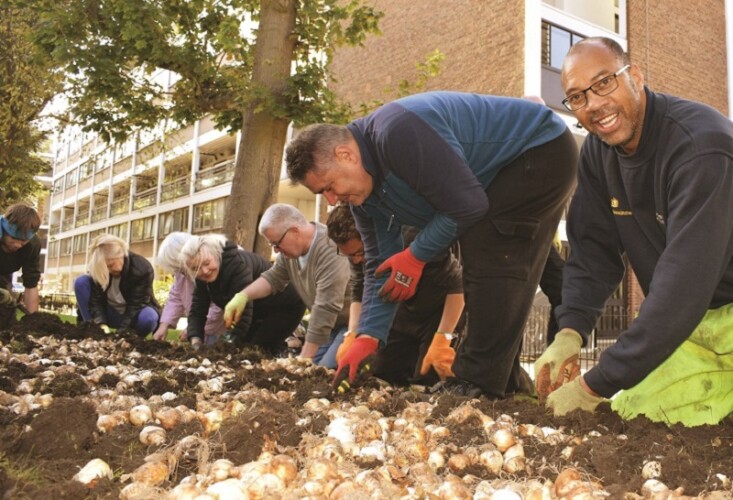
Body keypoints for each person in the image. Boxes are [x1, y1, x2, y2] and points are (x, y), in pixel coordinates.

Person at [286, 91, 578, 398]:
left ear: (346, 155)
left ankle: (478, 382)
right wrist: (367, 336)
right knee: (489, 252)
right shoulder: (364, 202)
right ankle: (507, 385)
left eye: (330, 187)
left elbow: (468, 205)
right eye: (323, 194)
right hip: (493, 178)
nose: (332, 200)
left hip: (538, 148)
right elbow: (379, 269)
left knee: (489, 249)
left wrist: (415, 256)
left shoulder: (397, 134)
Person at [535, 37, 733, 426]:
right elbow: (592, 253)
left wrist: (593, 386)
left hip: (701, 307)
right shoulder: (598, 153)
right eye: (577, 97)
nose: (593, 104)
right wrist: (570, 332)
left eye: (603, 82)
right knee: (639, 416)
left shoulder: (700, 149)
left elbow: (682, 286)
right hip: (693, 329)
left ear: (635, 77)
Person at [326, 203, 465, 386]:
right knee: (381, 373)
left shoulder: (414, 238)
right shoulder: (356, 254)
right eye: (349, 255)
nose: (356, 260)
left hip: (440, 310)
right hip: (401, 307)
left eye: (360, 253)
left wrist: (443, 337)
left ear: (371, 235)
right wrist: (352, 333)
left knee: (427, 377)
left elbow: (458, 285)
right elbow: (359, 287)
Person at [223, 204, 350, 360]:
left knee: (325, 369)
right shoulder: (290, 254)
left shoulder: (329, 249)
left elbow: (326, 306)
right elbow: (274, 278)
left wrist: (303, 359)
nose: (276, 250)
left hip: (352, 323)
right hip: (330, 326)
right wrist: (243, 296)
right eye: (272, 245)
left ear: (295, 232)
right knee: (315, 367)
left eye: (277, 244)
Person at [180, 233, 305, 353]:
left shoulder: (237, 265)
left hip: (285, 306)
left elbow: (244, 311)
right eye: (196, 268)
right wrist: (195, 340)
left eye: (207, 263)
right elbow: (197, 310)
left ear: (216, 254)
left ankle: (288, 352)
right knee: (246, 350)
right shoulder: (202, 278)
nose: (205, 271)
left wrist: (229, 345)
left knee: (256, 350)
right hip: (258, 311)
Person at [74, 234, 160, 335]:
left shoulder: (142, 268)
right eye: (106, 267)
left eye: (111, 265)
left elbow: (135, 306)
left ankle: (132, 339)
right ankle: (91, 331)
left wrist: (120, 334)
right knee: (81, 282)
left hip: (134, 315)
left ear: (121, 254)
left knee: (149, 317)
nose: (110, 270)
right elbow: (96, 302)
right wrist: (101, 325)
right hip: (109, 313)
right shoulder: (99, 269)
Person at [152, 232, 227, 346]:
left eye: (182, 268)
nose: (182, 273)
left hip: (221, 328)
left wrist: (192, 329)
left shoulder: (210, 271)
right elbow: (176, 298)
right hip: (202, 326)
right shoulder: (182, 274)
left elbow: (217, 307)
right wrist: (164, 325)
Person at [0, 203, 42, 324]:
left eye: (23, 242)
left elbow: (31, 284)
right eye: (13, 238)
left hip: (3, 276)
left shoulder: (32, 245)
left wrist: (32, 321)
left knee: (6, 319)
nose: (18, 245)